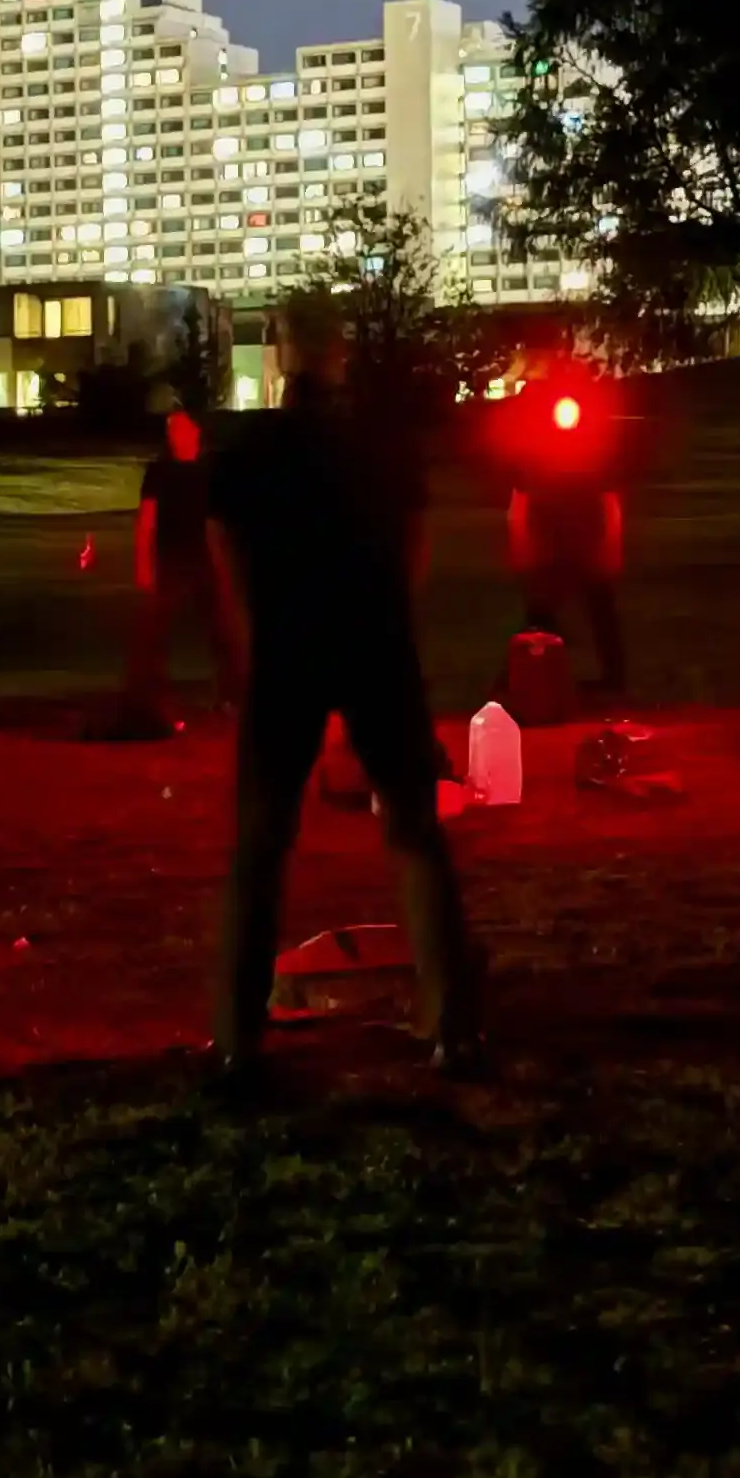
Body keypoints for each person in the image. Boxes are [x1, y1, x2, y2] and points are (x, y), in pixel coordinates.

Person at [207, 296, 484, 1086]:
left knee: (261, 842)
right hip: (374, 644)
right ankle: (452, 1024)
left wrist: (250, 631)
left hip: (287, 650)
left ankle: (237, 1036)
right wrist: (389, 608)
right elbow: (414, 545)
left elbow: (221, 541)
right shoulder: (381, 444)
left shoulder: (252, 445)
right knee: (413, 829)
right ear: (341, 353)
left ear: (278, 353)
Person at [505, 377, 628, 692]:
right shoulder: (535, 452)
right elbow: (523, 492)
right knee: (543, 613)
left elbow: (606, 493)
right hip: (552, 533)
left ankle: (612, 679)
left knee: (598, 606)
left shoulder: (593, 451)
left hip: (584, 531)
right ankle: (527, 678)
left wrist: (608, 539)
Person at [123, 408, 244, 718]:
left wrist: (227, 560)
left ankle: (233, 694)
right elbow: (147, 520)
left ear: (195, 434)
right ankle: (149, 695)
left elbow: (221, 517)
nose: (177, 436)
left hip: (205, 557)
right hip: (170, 559)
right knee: (154, 632)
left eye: (182, 429)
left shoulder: (207, 470)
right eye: (172, 431)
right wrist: (143, 565)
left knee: (223, 631)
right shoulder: (160, 471)